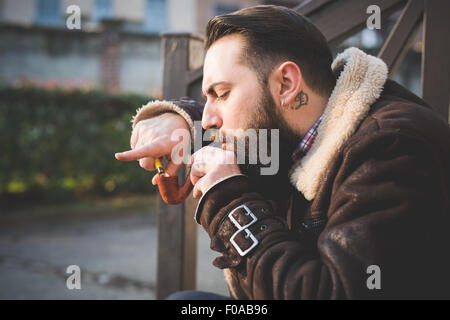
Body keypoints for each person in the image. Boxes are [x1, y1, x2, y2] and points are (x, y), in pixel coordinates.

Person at [115, 5, 450, 299]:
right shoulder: (299, 130)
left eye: (221, 93)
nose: (210, 119)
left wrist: (228, 200)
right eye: (208, 97)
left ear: (287, 84)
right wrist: (180, 120)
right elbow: (251, 136)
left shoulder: (391, 147)